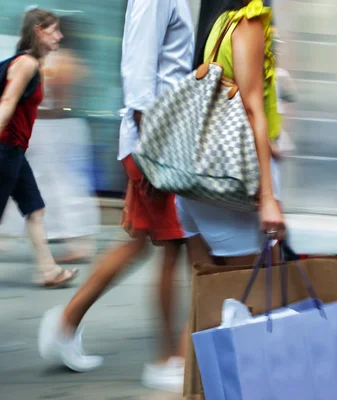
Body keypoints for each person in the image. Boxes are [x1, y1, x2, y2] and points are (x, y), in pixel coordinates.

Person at [38, 0, 194, 393]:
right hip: (158, 144)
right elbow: (140, 77)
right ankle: (165, 359)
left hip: (160, 140)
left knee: (141, 243)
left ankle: (64, 324)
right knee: (173, 245)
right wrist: (153, 153)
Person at [177, 0, 286, 270]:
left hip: (194, 180)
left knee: (209, 297)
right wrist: (268, 197)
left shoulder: (216, 25)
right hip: (233, 181)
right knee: (254, 297)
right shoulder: (246, 23)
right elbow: (251, 110)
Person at [0, 15, 100, 263]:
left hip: (43, 134)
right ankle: (63, 252)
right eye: (53, 31)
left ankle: (54, 261)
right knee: (50, 190)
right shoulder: (51, 62)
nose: (58, 36)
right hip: (44, 134)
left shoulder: (55, 63)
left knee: (43, 196)